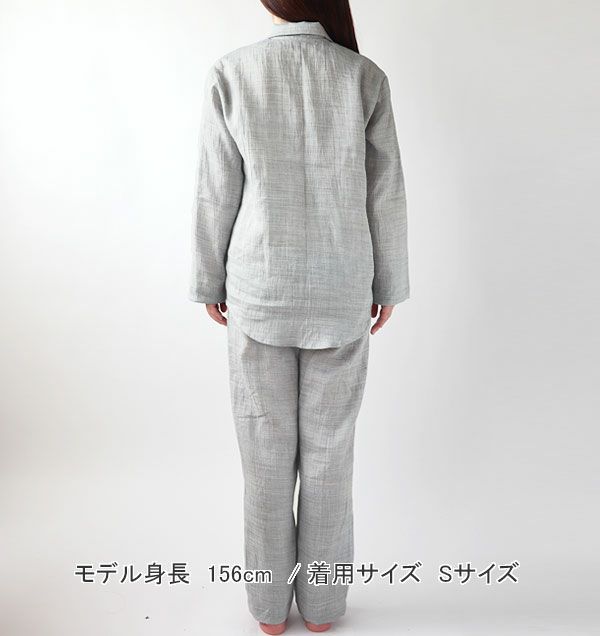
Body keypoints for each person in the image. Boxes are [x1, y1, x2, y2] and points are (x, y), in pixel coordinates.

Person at [189, 1, 409, 633]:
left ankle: (268, 610)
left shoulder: (232, 72)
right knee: (330, 461)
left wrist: (208, 278)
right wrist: (389, 283)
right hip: (342, 291)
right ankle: (324, 607)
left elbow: (216, 188)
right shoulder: (363, 76)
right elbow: (385, 190)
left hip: (258, 289)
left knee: (263, 462)